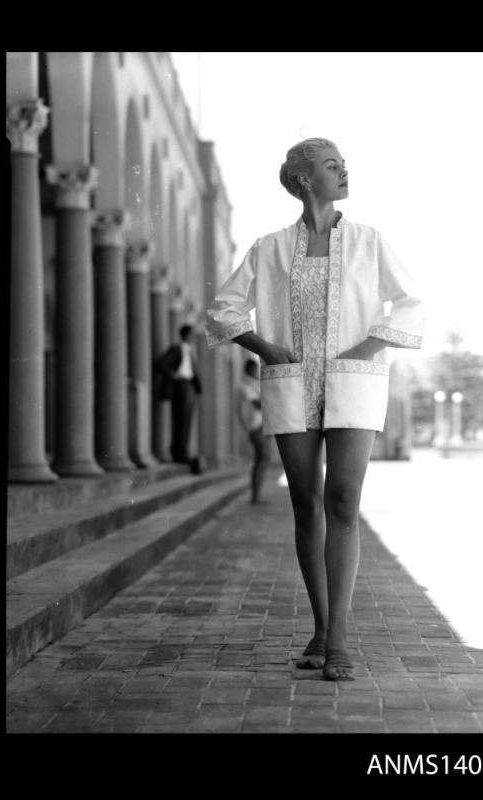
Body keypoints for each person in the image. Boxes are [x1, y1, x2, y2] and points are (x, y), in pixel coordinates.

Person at [205, 138, 424, 680]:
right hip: (291, 382)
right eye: (331, 166)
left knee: (344, 503)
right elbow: (224, 308)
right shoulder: (270, 247)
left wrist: (368, 345)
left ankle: (341, 640)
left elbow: (411, 302)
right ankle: (322, 627)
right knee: (306, 504)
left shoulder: (370, 242)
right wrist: (268, 349)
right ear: (304, 180)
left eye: (343, 164)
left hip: (354, 382)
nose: (344, 171)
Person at [155, 324, 203, 468]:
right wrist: (172, 374)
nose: (193, 337)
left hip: (189, 386)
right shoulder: (177, 348)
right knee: (180, 420)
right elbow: (161, 363)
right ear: (185, 335)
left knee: (187, 420)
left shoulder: (190, 350)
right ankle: (178, 453)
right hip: (180, 385)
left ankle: (183, 451)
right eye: (191, 334)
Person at [237, 358, 270, 505]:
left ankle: (256, 495)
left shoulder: (254, 384)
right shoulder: (244, 385)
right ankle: (255, 496)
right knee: (262, 458)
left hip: (262, 425)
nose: (256, 372)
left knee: (261, 459)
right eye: (254, 369)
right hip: (255, 426)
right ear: (248, 370)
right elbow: (258, 403)